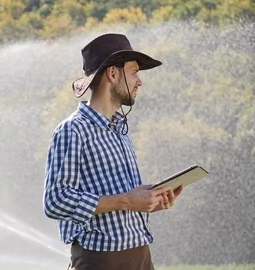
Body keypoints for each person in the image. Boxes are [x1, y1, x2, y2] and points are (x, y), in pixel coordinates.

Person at [43, 33, 184, 270]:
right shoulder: (72, 130)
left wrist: (150, 202)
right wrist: (128, 200)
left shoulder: (120, 130)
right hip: (100, 262)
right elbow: (55, 201)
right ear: (112, 73)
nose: (140, 81)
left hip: (141, 257)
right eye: (134, 72)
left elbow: (122, 203)